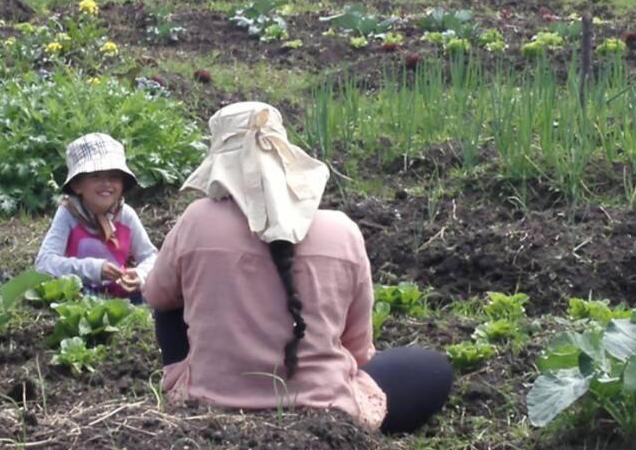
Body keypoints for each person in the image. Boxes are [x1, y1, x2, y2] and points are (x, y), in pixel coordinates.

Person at [143, 102, 452, 433]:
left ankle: (189, 387)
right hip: (325, 414)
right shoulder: (342, 230)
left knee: (169, 297)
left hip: (211, 406)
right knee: (430, 368)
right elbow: (357, 349)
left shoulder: (197, 220)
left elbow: (157, 296)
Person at [36, 132, 157, 302]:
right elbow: (44, 263)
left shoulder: (126, 215)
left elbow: (151, 256)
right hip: (80, 295)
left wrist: (139, 274)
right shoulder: (68, 214)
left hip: (122, 297)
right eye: (95, 176)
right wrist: (94, 269)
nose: (106, 183)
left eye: (114, 176)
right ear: (77, 185)